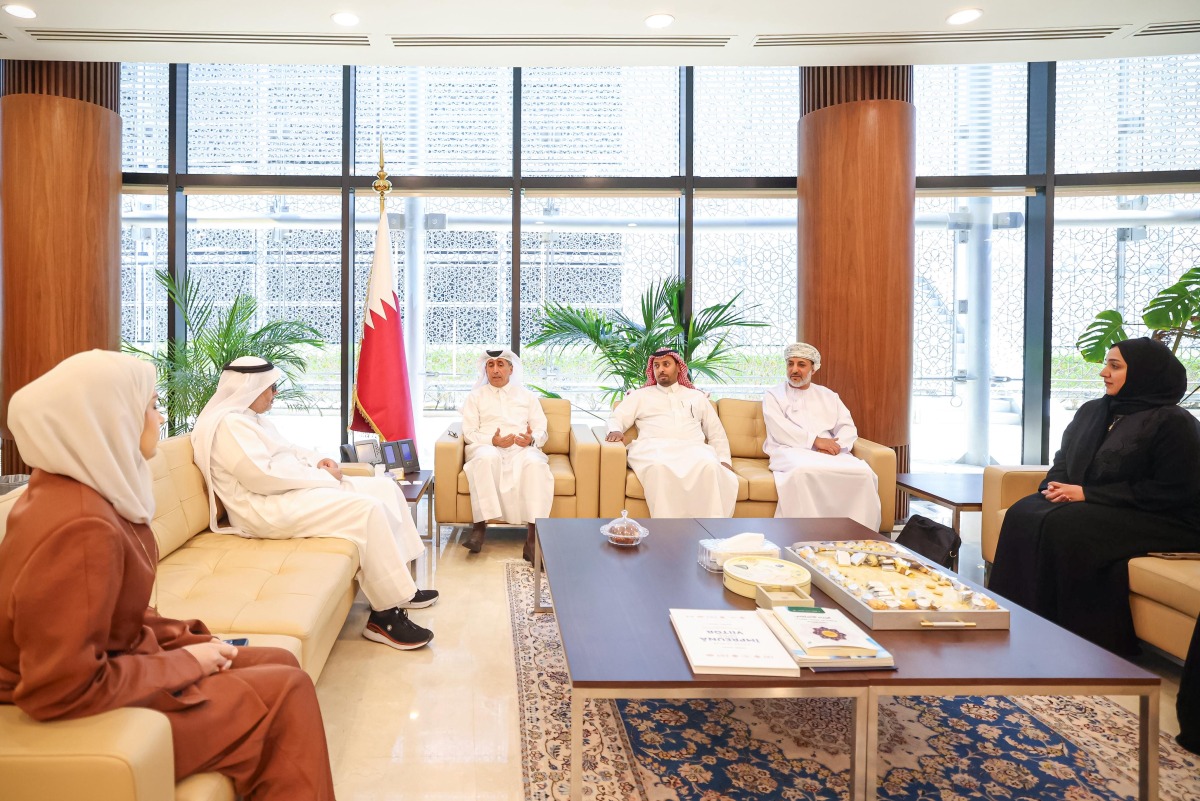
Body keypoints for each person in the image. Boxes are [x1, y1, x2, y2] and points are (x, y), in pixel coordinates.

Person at [0, 350, 336, 800]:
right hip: (79, 700)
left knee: (280, 660)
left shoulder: (83, 491)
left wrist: (195, 641)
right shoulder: (79, 525)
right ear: (113, 418)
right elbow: (60, 688)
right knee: (286, 691)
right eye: (153, 406)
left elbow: (117, 613)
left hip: (119, 661)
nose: (161, 418)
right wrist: (184, 663)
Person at [191, 357, 436, 651]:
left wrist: (316, 460)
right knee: (366, 510)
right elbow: (263, 477)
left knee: (384, 488)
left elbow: (288, 450)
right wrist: (322, 476)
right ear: (247, 388)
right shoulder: (228, 425)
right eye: (270, 388)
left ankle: (402, 588)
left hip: (288, 492)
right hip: (263, 508)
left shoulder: (249, 417)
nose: (275, 393)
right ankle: (384, 617)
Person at [989, 337, 1200, 676]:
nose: (1104, 372)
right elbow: (1062, 459)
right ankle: (1013, 622)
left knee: (1067, 528)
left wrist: (1088, 494)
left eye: (1115, 366)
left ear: (1144, 374)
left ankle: (1071, 640)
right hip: (1102, 507)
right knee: (1024, 512)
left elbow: (1172, 491)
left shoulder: (1174, 423)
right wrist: (1053, 487)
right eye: (1106, 364)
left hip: (1162, 517)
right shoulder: (1094, 411)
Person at [605, 349, 737, 518]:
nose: (661, 369)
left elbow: (716, 432)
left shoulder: (696, 397)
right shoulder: (640, 396)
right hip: (653, 448)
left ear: (679, 368)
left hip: (693, 449)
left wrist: (724, 460)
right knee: (659, 467)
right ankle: (667, 532)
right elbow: (616, 417)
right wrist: (615, 429)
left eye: (666, 364)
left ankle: (709, 531)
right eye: (656, 365)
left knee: (710, 466)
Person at [762, 343, 881, 531]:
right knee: (804, 471)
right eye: (790, 364)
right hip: (789, 450)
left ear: (813, 369)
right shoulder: (773, 395)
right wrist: (816, 442)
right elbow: (780, 430)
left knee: (864, 472)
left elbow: (847, 426)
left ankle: (859, 535)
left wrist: (837, 447)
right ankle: (805, 534)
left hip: (830, 452)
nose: (794, 369)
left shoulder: (829, 396)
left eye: (801, 365)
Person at [459, 348, 554, 560]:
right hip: (485, 445)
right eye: (490, 365)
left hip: (520, 448)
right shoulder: (475, 397)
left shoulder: (527, 397)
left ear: (511, 369)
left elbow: (541, 429)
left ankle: (532, 538)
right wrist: (491, 441)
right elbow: (469, 432)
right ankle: (479, 530)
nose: (495, 370)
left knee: (535, 465)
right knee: (486, 458)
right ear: (485, 369)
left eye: (501, 365)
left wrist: (531, 439)